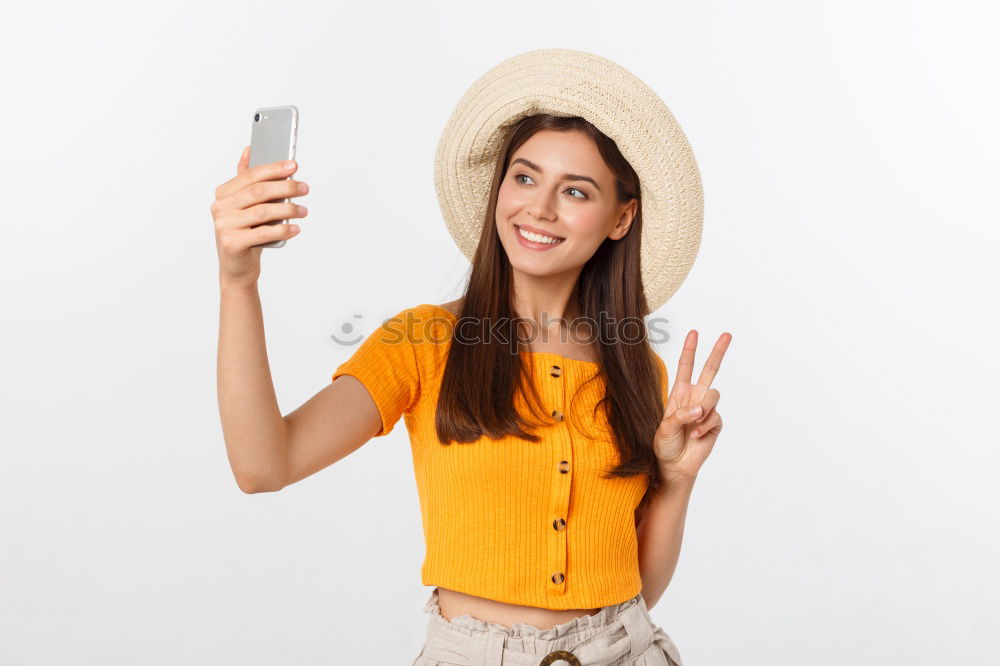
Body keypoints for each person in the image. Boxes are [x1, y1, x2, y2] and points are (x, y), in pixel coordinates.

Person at [211, 48, 730, 666]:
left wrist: (676, 481)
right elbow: (264, 465)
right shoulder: (423, 345)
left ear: (622, 218)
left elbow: (638, 589)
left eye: (576, 191)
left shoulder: (640, 369)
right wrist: (238, 282)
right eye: (525, 176)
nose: (538, 208)